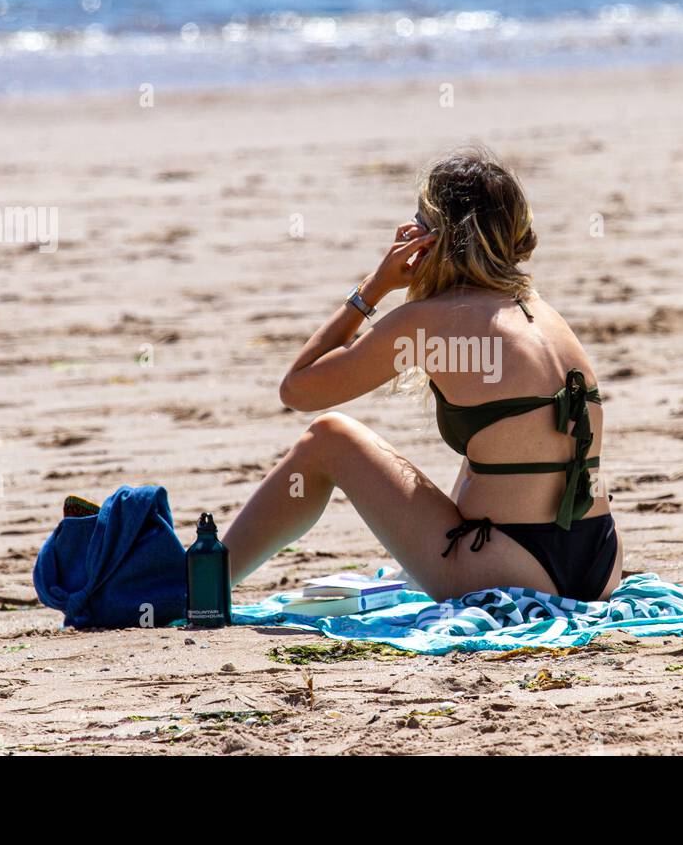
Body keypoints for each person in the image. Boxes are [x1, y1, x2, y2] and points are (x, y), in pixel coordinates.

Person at [222, 147, 620, 603]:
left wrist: (374, 286)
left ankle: (203, 584)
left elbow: (299, 388)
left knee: (328, 437)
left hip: (513, 569)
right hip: (599, 564)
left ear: (436, 238)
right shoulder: (544, 316)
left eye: (417, 223)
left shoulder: (430, 321)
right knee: (488, 450)